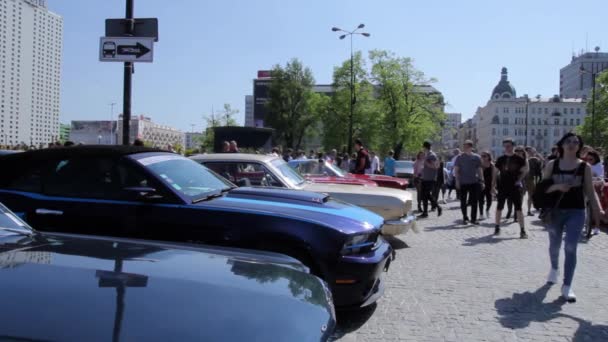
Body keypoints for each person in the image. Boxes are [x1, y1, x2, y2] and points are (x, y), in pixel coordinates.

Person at [542, 133, 603, 302]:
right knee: (554, 246)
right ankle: (554, 268)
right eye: (568, 141)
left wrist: (598, 210)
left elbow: (590, 191)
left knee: (570, 247)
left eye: (576, 142)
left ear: (579, 147)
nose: (572, 144)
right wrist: (558, 186)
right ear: (561, 145)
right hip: (555, 211)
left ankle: (567, 285)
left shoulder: (585, 167)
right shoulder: (552, 165)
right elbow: (542, 189)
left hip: (576, 211)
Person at [494, 138, 529, 238]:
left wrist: (520, 179)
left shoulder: (519, 159)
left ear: (513, 146)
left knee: (519, 209)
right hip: (502, 186)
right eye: (505, 146)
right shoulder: (500, 159)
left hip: (515, 187)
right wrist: (493, 185)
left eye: (508, 146)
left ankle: (522, 230)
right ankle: (497, 227)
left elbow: (525, 169)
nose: (507, 148)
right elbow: (495, 172)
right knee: (499, 207)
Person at [454, 140, 484, 224]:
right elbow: (456, 170)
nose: (464, 147)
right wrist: (457, 181)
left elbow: (479, 169)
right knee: (463, 201)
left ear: (470, 147)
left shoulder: (476, 157)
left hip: (474, 182)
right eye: (464, 146)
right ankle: (465, 217)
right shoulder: (459, 157)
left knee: (474, 201)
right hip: (463, 182)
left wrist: (482, 180)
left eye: (466, 146)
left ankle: (473, 219)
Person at [418, 141, 442, 218]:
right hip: (425, 178)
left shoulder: (432, 155)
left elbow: (435, 166)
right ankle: (426, 212)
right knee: (424, 195)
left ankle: (437, 207)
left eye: (423, 147)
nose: (423, 148)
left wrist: (426, 163)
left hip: (430, 178)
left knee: (426, 194)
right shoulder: (427, 155)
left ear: (425, 147)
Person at [479, 151, 497, 219]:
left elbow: (494, 176)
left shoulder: (492, 165)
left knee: (489, 199)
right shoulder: (479, 164)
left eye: (484, 156)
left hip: (489, 184)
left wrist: (493, 186)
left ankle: (487, 210)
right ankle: (481, 214)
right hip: (481, 184)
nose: (483, 157)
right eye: (482, 156)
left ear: (488, 157)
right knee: (481, 200)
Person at [525, 147, 543, 216]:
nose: (532, 152)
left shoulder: (535, 159)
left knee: (530, 195)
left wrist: (539, 157)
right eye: (530, 151)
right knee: (520, 196)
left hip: (531, 179)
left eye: (532, 151)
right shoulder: (525, 159)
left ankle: (529, 210)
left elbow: (541, 166)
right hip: (524, 179)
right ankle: (518, 210)